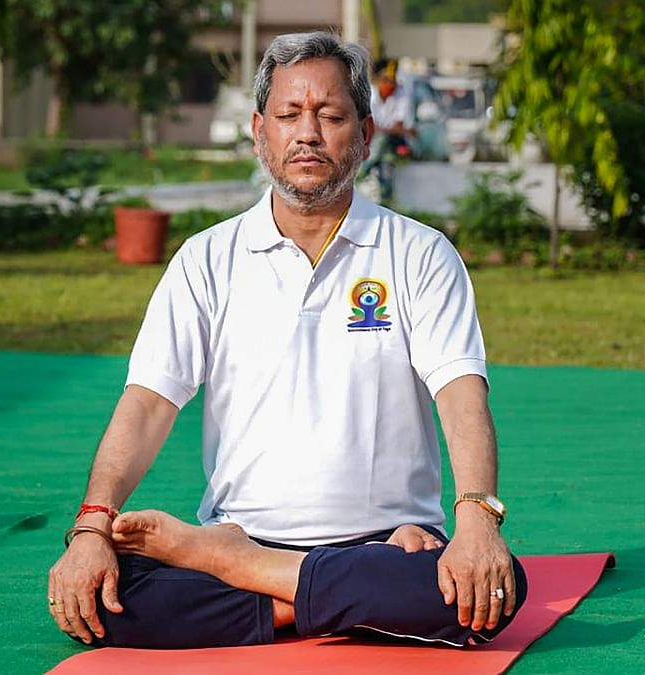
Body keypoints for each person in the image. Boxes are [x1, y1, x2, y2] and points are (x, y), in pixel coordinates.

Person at [47, 31, 524, 651]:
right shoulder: (206, 260)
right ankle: (326, 595)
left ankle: (241, 575)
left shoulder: (419, 255)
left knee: (492, 586)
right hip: (247, 529)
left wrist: (475, 519)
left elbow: (462, 398)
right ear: (258, 131)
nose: (307, 133)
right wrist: (91, 527)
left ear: (365, 134)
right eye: (288, 115)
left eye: (330, 115)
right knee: (105, 595)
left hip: (385, 540)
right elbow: (147, 404)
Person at [358, 58, 414, 203]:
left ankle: (362, 173)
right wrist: (392, 130)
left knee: (383, 145)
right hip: (370, 141)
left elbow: (399, 126)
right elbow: (369, 127)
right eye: (387, 81)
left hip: (389, 142)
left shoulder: (401, 93)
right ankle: (384, 195)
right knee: (383, 156)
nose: (391, 86)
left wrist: (384, 130)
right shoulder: (369, 94)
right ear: (380, 80)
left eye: (393, 82)